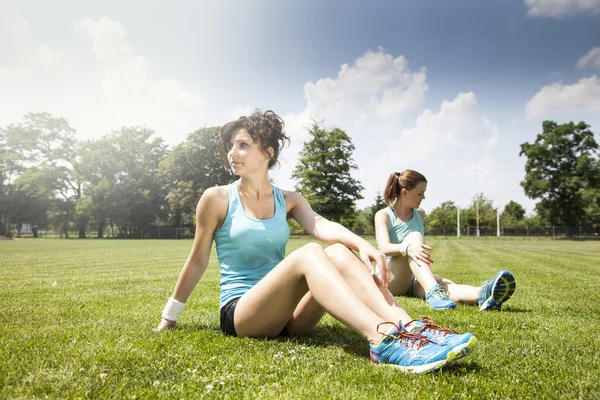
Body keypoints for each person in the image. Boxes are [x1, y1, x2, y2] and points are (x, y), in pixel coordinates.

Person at [155, 111, 476, 373]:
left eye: (242, 145)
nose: (231, 153)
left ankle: (413, 328)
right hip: (242, 313)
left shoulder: (288, 200)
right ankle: (381, 340)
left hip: (289, 316)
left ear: (268, 152)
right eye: (231, 146)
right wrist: (169, 317)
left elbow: (321, 225)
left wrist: (363, 245)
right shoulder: (216, 199)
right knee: (309, 253)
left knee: (336, 250)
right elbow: (198, 260)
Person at [374, 169, 516, 311]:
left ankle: (483, 294)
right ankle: (432, 291)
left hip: (410, 280)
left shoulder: (420, 214)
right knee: (415, 237)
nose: (423, 197)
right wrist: (407, 247)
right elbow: (384, 249)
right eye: (420, 193)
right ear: (404, 192)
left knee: (445, 284)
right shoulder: (383, 215)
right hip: (389, 278)